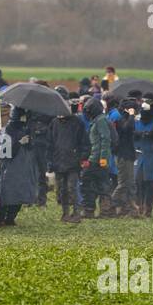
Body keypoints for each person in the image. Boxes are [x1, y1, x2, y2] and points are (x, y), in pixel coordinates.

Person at [0, 107, 40, 226]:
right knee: (6, 193)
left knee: (19, 192)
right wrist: (19, 143)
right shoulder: (7, 131)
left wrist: (29, 139)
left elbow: (31, 147)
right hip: (8, 167)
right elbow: (3, 153)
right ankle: (0, 218)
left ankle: (10, 218)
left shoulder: (24, 129)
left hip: (21, 166)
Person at [50, 90, 90, 222]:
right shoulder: (54, 123)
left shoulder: (77, 122)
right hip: (58, 161)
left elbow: (84, 142)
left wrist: (82, 157)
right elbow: (50, 142)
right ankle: (65, 213)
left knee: (72, 188)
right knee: (62, 190)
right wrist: (50, 160)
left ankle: (76, 213)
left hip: (73, 162)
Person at [82, 97, 114, 217]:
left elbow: (105, 139)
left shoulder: (100, 120)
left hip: (97, 159)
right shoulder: (98, 119)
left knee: (90, 183)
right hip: (95, 158)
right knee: (99, 183)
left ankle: (91, 210)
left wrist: (103, 158)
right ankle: (103, 211)